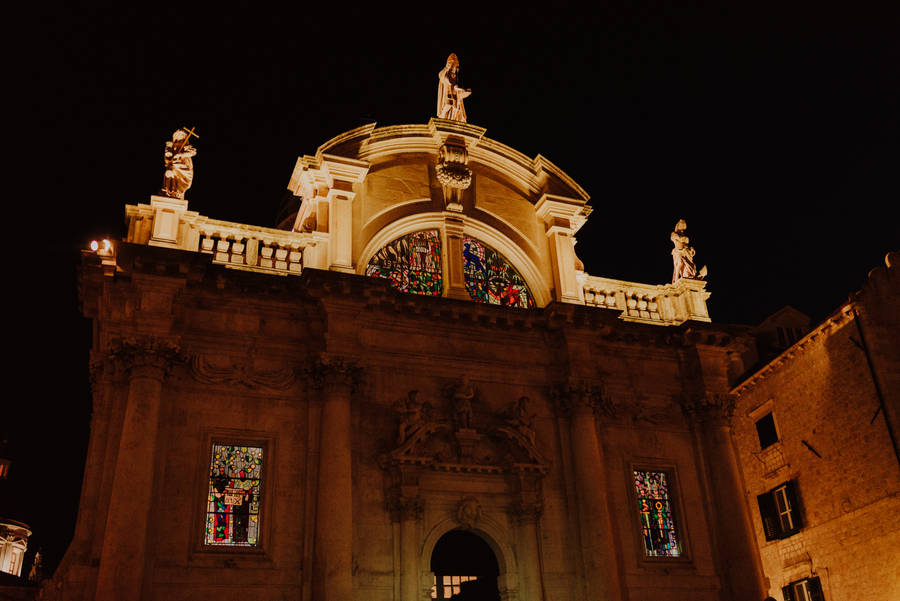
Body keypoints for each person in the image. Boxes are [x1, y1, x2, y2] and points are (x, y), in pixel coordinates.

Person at [437, 54, 472, 122]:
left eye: (455, 65)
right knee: (448, 104)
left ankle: (453, 118)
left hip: (455, 94)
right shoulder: (446, 73)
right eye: (452, 64)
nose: (453, 67)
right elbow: (440, 76)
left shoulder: (456, 76)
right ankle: (442, 116)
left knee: (456, 108)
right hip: (448, 93)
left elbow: (456, 86)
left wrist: (463, 90)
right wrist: (446, 68)